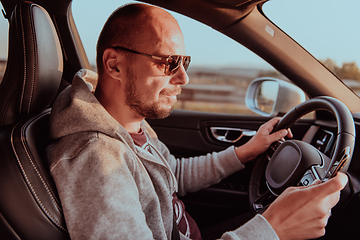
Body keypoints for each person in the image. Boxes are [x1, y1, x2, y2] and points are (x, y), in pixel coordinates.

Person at [46, 3, 348, 240]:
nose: (183, 77)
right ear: (114, 65)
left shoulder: (130, 122)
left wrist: (246, 151)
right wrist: (272, 230)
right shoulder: (95, 160)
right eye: (169, 63)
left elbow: (173, 173)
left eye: (184, 62)